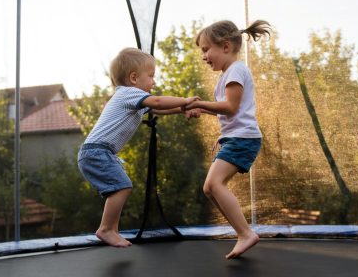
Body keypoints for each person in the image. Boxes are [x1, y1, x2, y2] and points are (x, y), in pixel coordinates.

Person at [78, 47, 199, 248]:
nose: (154, 81)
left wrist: (182, 109)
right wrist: (185, 100)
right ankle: (106, 229)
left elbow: (160, 108)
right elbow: (159, 101)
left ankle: (111, 229)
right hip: (96, 152)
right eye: (151, 76)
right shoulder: (128, 94)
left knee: (119, 187)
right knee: (122, 186)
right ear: (134, 78)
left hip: (97, 152)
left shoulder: (131, 98)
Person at [186, 20, 272, 259]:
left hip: (243, 139)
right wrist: (203, 110)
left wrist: (200, 103)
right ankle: (243, 233)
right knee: (209, 187)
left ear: (225, 46)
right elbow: (228, 110)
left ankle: (245, 233)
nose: (204, 56)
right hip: (235, 138)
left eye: (205, 49)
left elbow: (231, 107)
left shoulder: (236, 70)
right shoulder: (227, 75)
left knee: (214, 184)